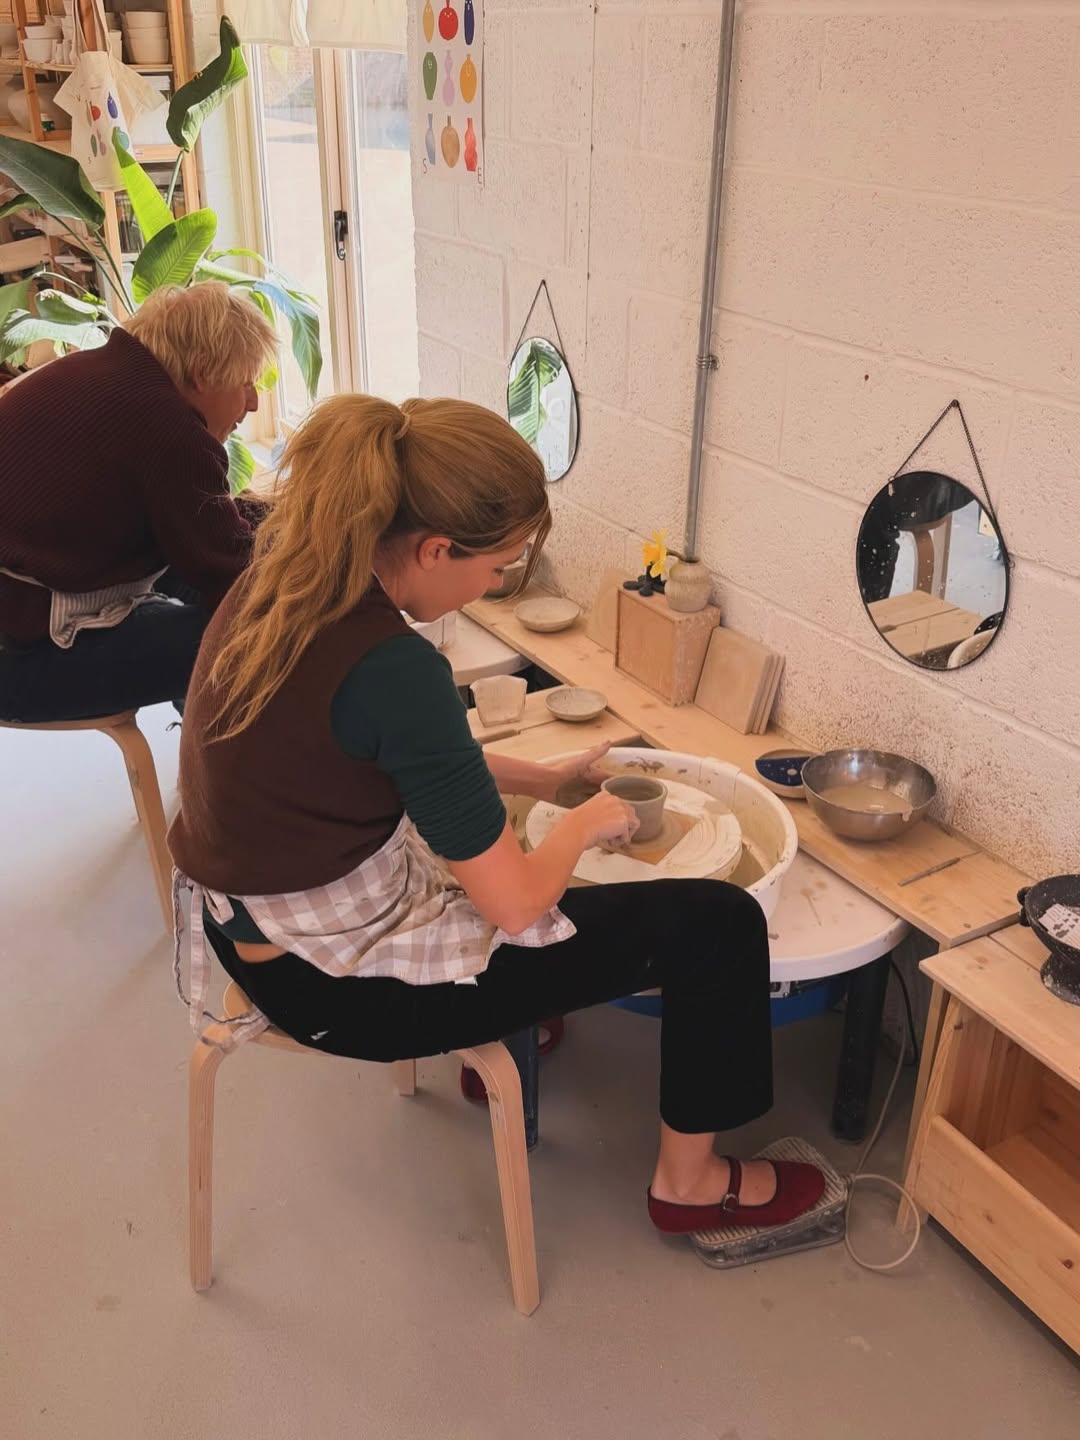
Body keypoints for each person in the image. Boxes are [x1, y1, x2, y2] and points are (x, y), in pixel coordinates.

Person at [169, 394, 824, 1238]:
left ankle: (514, 1023)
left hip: (248, 927)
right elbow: (513, 905)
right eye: (497, 567)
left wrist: (546, 783)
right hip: (330, 987)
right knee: (720, 923)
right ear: (435, 548)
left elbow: (402, 764)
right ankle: (691, 1185)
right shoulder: (396, 670)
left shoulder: (288, 577)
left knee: (510, 856)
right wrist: (586, 825)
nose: (492, 587)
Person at [0, 282, 278, 723]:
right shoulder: (169, 432)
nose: (253, 402)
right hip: (21, 659)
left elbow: (196, 522)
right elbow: (235, 576)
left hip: (21, 604)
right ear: (202, 373)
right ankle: (223, 754)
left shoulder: (99, 371)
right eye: (245, 381)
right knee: (251, 629)